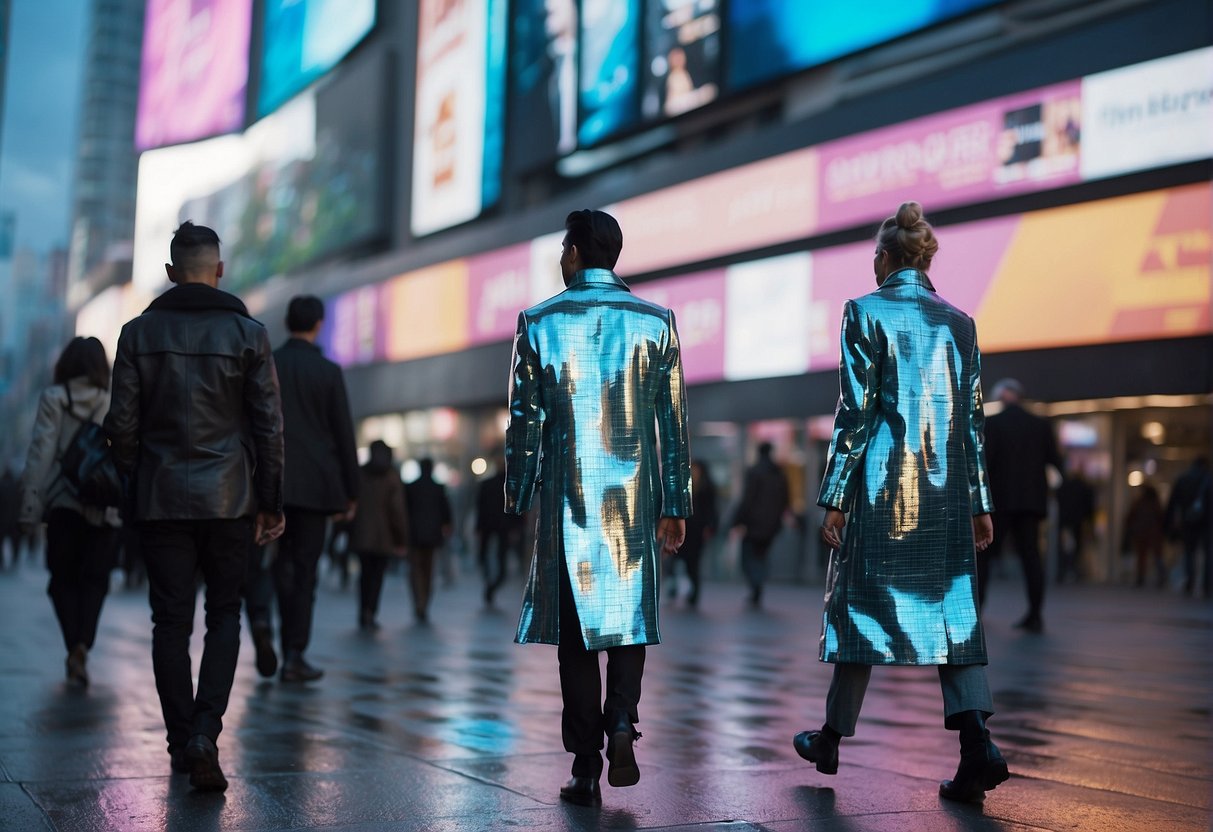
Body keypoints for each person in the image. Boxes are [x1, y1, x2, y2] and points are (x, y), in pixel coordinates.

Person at [797, 202, 1007, 805]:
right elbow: (969, 422)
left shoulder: (864, 311)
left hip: (881, 489)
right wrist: (979, 504)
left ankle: (832, 738)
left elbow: (855, 414)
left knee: (860, 612)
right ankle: (977, 748)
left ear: (885, 259)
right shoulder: (960, 322)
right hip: (943, 496)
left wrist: (835, 495)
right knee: (955, 620)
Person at [505, 208, 691, 807]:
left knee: (577, 640)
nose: (561, 257)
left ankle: (586, 764)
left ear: (578, 252)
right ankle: (621, 723)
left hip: (568, 502)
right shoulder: (656, 323)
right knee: (628, 623)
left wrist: (517, 489)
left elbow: (525, 422)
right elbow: (673, 425)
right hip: (635, 504)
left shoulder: (538, 322)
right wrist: (675, 503)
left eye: (564, 247)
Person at [104, 221, 284, 791]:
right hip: (230, 497)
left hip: (161, 498)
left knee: (170, 622)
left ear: (170, 272)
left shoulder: (136, 334)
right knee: (224, 614)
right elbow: (269, 428)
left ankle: (182, 741)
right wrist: (270, 500)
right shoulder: (248, 334)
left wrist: (135, 480)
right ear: (220, 270)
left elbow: (122, 426)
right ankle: (207, 730)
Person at [17, 337, 121, 685]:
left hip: (63, 503)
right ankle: (83, 647)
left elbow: (40, 453)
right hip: (102, 506)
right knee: (95, 580)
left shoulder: (53, 399)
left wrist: (30, 508)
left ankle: (73, 643)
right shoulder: (112, 401)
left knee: (61, 580)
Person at [272, 295, 359, 683]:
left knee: (274, 564)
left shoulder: (268, 364)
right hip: (315, 489)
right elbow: (343, 434)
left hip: (271, 483)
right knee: (305, 571)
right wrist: (350, 491)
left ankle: (267, 627)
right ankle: (294, 652)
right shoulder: (327, 371)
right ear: (318, 324)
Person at [978, 378, 1061, 632]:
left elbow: (986, 465)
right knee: (1031, 556)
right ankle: (1035, 614)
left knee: (986, 556)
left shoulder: (992, 424)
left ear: (1002, 397)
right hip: (1031, 502)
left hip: (1000, 502)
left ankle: (977, 610)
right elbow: (1056, 463)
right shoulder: (1040, 425)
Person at [350, 440, 409, 630]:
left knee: (365, 575)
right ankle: (371, 611)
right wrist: (401, 538)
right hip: (384, 537)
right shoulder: (391, 477)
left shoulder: (360, 474)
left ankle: (363, 610)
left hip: (362, 534)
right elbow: (397, 510)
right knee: (377, 576)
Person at [731, 441, 788, 608]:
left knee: (748, 557)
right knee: (761, 555)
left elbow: (747, 499)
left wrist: (737, 520)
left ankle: (756, 583)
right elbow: (785, 500)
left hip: (754, 525)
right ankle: (758, 582)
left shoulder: (755, 472)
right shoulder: (779, 474)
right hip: (771, 526)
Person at [403, 458, 452, 623]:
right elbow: (446, 512)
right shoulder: (438, 488)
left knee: (415, 570)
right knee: (428, 571)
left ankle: (418, 601)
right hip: (432, 536)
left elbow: (404, 511)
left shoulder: (411, 488)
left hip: (414, 535)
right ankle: (424, 602)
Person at [476, 453, 525, 607]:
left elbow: (480, 507)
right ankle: (491, 583)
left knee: (490, 557)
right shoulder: (511, 485)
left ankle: (490, 583)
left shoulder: (490, 484)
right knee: (498, 560)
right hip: (500, 527)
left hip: (493, 526)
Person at [670, 459, 717, 608]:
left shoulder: (706, 488)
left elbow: (712, 510)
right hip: (684, 530)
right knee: (674, 560)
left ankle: (694, 593)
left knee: (693, 564)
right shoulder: (684, 487)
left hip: (697, 533)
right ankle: (674, 588)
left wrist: (710, 527)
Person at [1166, 457, 1210, 596]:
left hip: (1188, 521)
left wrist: (1170, 523)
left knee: (1189, 553)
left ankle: (1190, 582)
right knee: (1208, 554)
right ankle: (1207, 585)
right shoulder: (1209, 479)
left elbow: (1173, 503)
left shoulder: (1183, 480)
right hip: (1207, 522)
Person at [1055, 466, 1095, 583]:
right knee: (1076, 546)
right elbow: (1089, 506)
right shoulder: (1084, 487)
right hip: (1077, 520)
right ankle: (1073, 570)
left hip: (1065, 520)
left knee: (1063, 546)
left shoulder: (1065, 487)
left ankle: (1063, 570)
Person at [1124, 484, 1167, 588]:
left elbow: (1130, 517)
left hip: (1141, 533)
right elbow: (1161, 518)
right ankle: (1159, 576)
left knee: (1142, 556)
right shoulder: (1155, 504)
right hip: (1153, 533)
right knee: (1156, 556)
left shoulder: (1139, 503)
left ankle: (1141, 577)